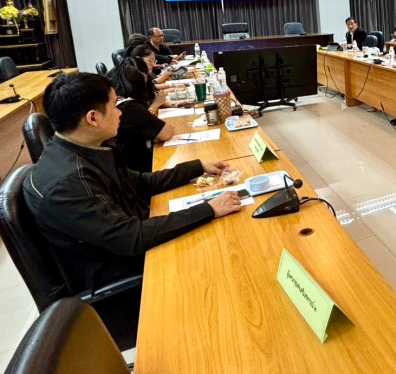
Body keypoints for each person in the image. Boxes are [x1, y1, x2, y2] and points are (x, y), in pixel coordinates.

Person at [22, 73, 241, 294]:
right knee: (226, 256)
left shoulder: (85, 148)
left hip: (128, 242)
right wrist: (209, 209)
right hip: (120, 275)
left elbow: (139, 183)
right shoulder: (69, 183)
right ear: (93, 118)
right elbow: (131, 237)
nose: (120, 112)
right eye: (114, 106)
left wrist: (197, 167)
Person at [108, 58, 175, 173]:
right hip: (139, 168)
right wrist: (154, 106)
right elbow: (167, 133)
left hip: (124, 166)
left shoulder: (119, 105)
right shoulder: (129, 107)